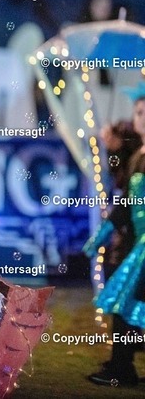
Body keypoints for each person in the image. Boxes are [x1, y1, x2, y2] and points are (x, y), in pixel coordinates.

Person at [86, 97, 145, 386]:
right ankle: (121, 365)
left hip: (140, 247)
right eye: (138, 112)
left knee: (126, 303)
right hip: (136, 244)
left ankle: (122, 367)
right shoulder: (138, 155)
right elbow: (127, 202)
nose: (141, 117)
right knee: (126, 303)